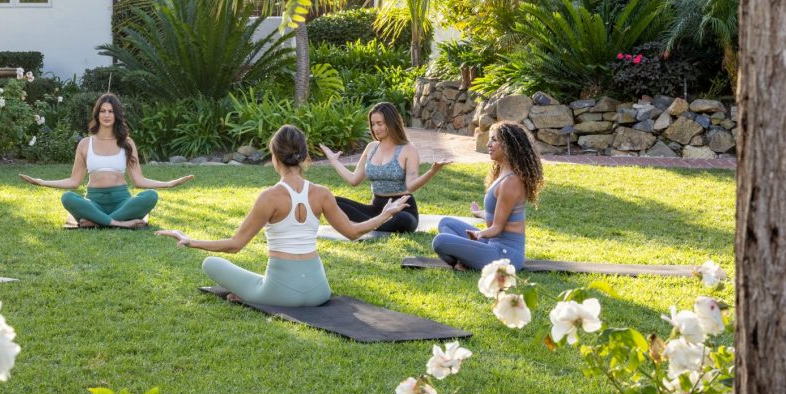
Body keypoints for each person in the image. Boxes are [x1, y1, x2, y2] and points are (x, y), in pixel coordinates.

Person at [155, 125, 409, 306]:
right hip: (319, 292)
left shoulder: (270, 197)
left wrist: (190, 240)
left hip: (280, 293)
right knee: (257, 281)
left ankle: (254, 294)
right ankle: (255, 292)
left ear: (274, 156)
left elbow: (234, 246)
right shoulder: (321, 193)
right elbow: (353, 233)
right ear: (304, 157)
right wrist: (385, 214)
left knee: (210, 264)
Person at [19, 93, 193, 227]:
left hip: (122, 201)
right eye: (103, 111)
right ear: (97, 114)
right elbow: (74, 182)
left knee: (150, 196)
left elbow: (139, 181)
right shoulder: (85, 144)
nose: (107, 115)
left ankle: (99, 221)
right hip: (94, 202)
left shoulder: (127, 143)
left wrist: (169, 184)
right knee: (68, 198)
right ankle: (120, 223)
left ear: (116, 115)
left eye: (111, 111)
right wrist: (42, 182)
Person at [431, 121, 545, 271]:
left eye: (494, 140)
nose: (489, 144)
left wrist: (479, 234)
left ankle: (465, 261)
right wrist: (479, 213)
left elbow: (497, 227)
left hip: (506, 255)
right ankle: (466, 260)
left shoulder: (511, 181)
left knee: (440, 242)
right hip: (492, 244)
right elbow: (499, 216)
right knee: (446, 223)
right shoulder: (503, 173)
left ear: (508, 146)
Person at [318, 102, 448, 233]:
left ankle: (365, 225)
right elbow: (354, 180)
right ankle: (373, 224)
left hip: (401, 209)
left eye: (380, 124)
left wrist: (432, 170)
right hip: (376, 209)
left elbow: (411, 186)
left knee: (403, 220)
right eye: (373, 124)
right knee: (332, 201)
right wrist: (334, 161)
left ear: (391, 123)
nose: (375, 128)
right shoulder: (371, 148)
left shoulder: (408, 149)